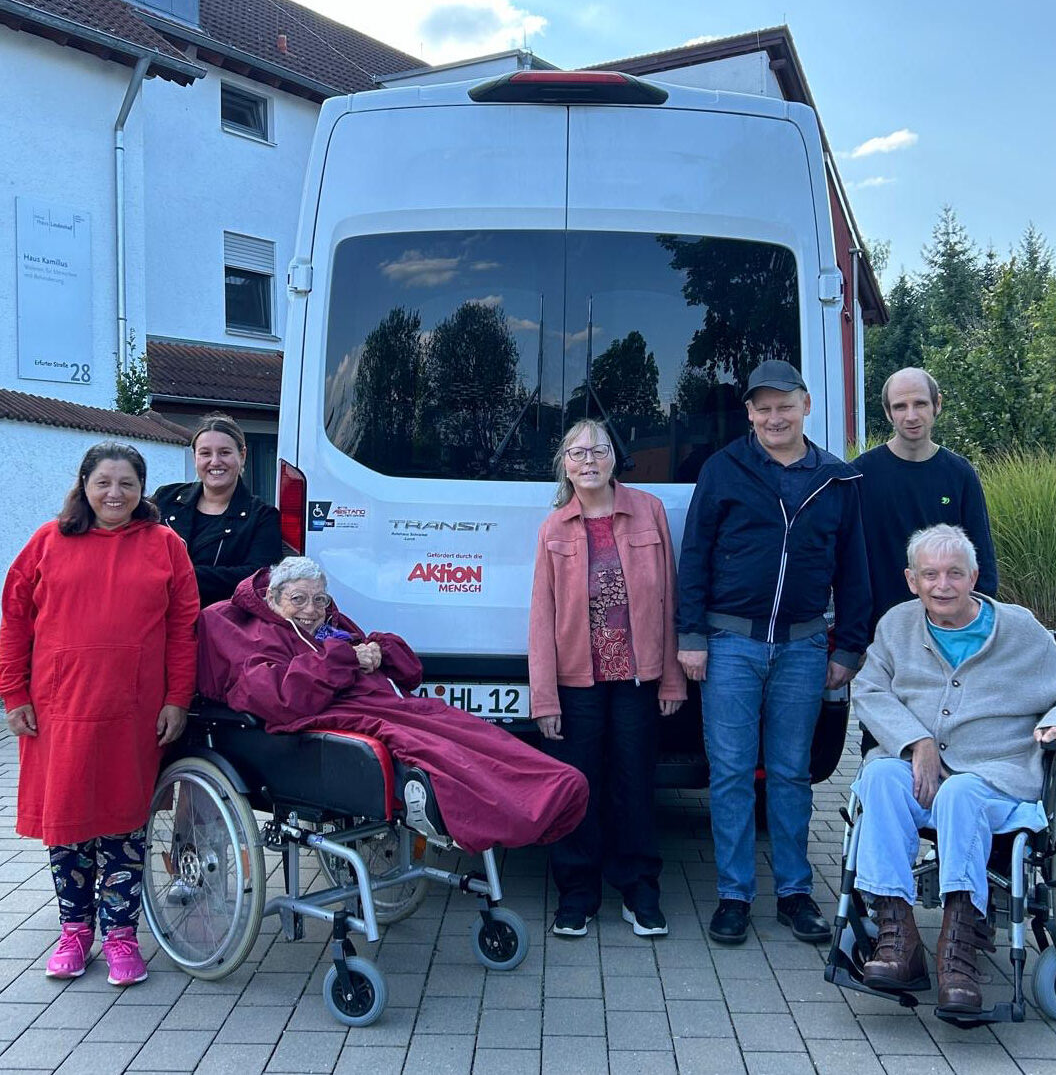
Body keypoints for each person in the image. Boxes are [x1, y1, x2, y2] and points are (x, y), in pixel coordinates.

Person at [851, 524, 1056, 1013]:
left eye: (955, 574)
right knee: (877, 777)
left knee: (962, 794)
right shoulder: (897, 626)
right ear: (911, 579)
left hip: (995, 778)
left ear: (975, 576)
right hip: (920, 773)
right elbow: (869, 689)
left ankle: (959, 948)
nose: (943, 585)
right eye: (930, 575)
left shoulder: (1018, 628)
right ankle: (898, 939)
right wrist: (914, 739)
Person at [197, 557, 588, 854]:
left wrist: (379, 650)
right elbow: (281, 697)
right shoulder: (253, 634)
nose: (311, 609)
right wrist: (346, 659)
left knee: (465, 728)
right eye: (298, 599)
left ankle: (557, 787)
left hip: (384, 703)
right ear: (273, 599)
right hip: (330, 721)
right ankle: (522, 808)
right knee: (435, 747)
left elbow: (410, 670)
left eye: (319, 599)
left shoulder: (330, 625)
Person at [676, 359, 871, 945]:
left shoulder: (837, 480)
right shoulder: (723, 469)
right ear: (750, 414)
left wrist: (851, 647)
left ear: (806, 406)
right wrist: (691, 636)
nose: (773, 416)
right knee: (731, 773)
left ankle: (794, 893)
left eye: (784, 405)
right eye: (762, 407)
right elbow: (696, 557)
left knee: (790, 773)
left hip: (806, 646)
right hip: (731, 642)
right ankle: (734, 895)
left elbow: (853, 569)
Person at [0, 442, 199, 986]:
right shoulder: (47, 541)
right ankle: (74, 930)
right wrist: (13, 693)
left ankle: (120, 934)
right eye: (104, 482)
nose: (115, 493)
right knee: (68, 826)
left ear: (141, 491)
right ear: (84, 484)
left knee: (124, 825)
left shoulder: (166, 546)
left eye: (127, 484)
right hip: (59, 709)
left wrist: (176, 698)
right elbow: (14, 617)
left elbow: (184, 628)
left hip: (132, 711)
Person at [529, 420, 686, 940]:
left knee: (634, 784)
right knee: (579, 788)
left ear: (614, 457)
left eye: (598, 449)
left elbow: (668, 600)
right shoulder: (554, 527)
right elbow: (542, 617)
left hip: (638, 680)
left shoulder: (649, 511)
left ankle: (640, 891)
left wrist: (671, 680)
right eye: (577, 452)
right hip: (577, 684)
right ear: (565, 464)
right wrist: (544, 697)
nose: (588, 459)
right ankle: (578, 893)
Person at [854, 368, 997, 629]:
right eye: (900, 406)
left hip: (947, 631)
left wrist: (976, 629)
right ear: (887, 412)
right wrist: (852, 642)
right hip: (876, 635)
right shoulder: (860, 475)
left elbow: (982, 562)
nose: (911, 416)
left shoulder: (960, 474)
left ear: (937, 404)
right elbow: (847, 565)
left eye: (920, 403)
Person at [153, 413, 282, 608]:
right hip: (158, 618)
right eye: (205, 453)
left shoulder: (262, 517)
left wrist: (177, 574)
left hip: (219, 626)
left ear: (242, 455)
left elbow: (257, 578)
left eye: (224, 452)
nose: (215, 462)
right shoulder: (166, 498)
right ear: (194, 457)